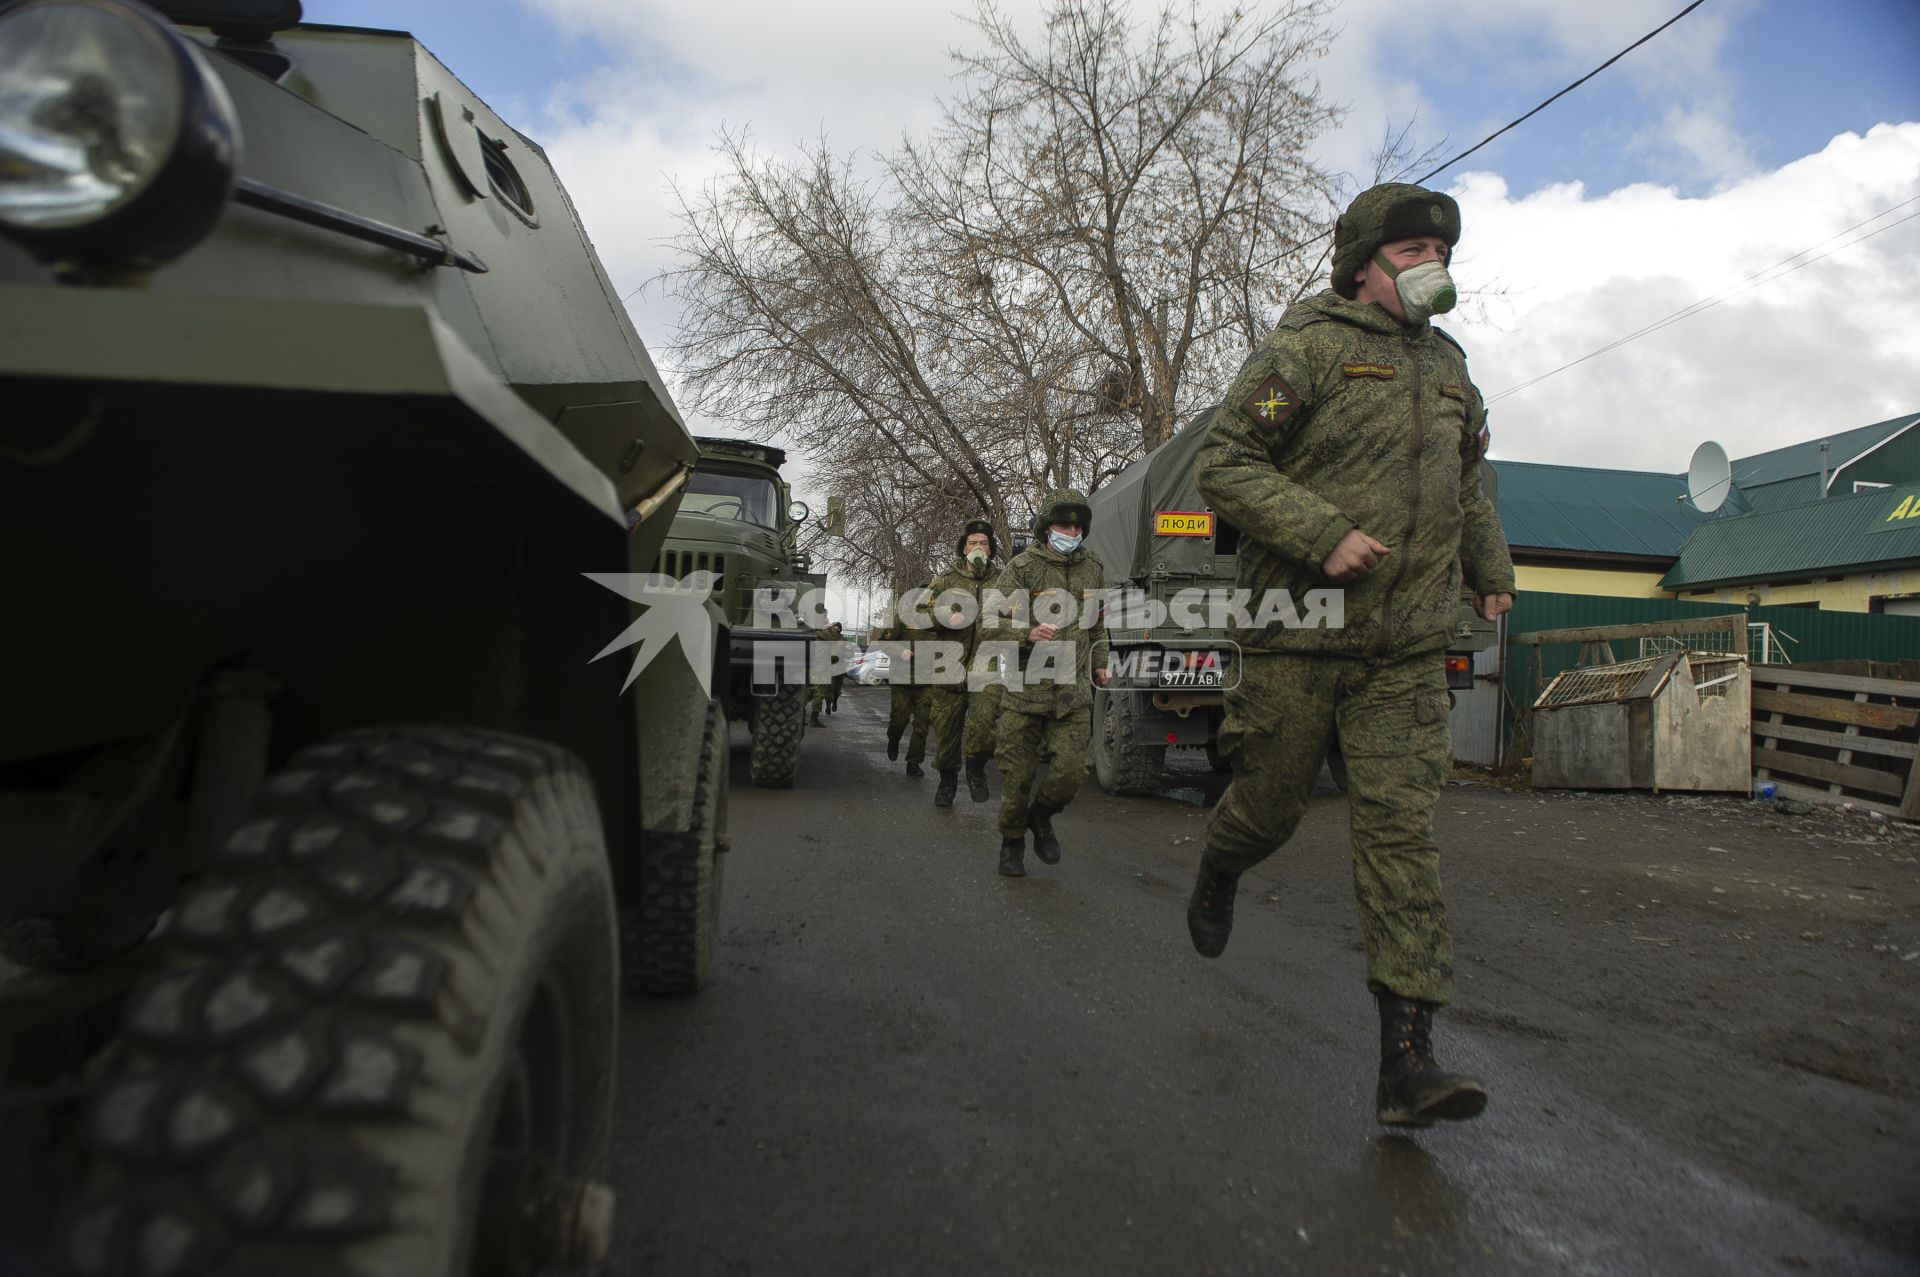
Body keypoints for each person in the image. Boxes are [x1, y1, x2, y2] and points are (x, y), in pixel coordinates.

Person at [1186, 182, 1516, 1128]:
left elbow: (1469, 477)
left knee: (1401, 837)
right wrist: (1323, 531)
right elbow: (1226, 460)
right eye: (1411, 252)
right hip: (1297, 629)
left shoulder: (1452, 366)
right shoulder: (1310, 346)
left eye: (1439, 252)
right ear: (1364, 263)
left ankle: (1406, 1061)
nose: (1431, 267)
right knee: (1274, 804)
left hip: (1404, 644)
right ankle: (1221, 865)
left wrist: (1486, 565)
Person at [983, 491, 1111, 877]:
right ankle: (1011, 843)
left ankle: (1041, 816)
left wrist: (1101, 665)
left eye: (1076, 526)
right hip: (1025, 691)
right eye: (1062, 525)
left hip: (1072, 693)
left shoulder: (1093, 568)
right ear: (1046, 528)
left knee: (1071, 772)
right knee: (1017, 778)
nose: (1070, 532)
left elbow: (1097, 626)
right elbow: (989, 620)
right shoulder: (1022, 568)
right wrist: (1026, 632)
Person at [924, 520, 1001, 806]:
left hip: (986, 664)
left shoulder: (1003, 581)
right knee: (946, 731)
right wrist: (945, 616)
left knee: (984, 725)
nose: (978, 547)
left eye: (983, 543)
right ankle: (946, 782)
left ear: (991, 549)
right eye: (972, 543)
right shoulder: (945, 580)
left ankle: (976, 770)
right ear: (963, 548)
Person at [876, 585, 933, 776]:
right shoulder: (904, 617)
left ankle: (914, 762)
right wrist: (899, 651)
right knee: (899, 719)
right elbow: (884, 642)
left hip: (928, 680)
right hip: (903, 678)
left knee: (922, 724)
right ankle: (893, 738)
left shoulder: (941, 621)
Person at [808, 621, 848, 727]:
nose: (836, 630)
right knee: (819, 693)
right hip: (823, 668)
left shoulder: (815, 634)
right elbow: (834, 656)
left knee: (811, 692)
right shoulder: (827, 637)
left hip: (816, 667)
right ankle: (813, 719)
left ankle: (802, 715)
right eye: (834, 628)